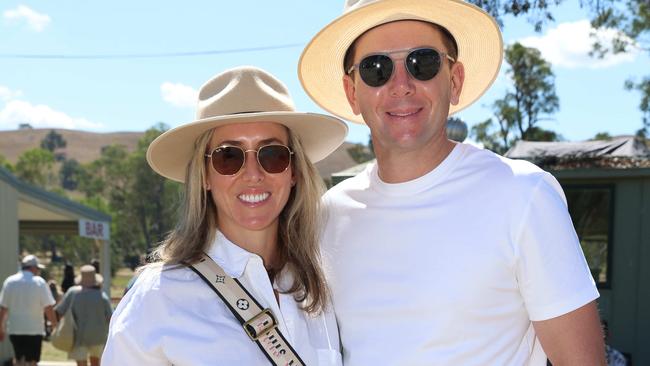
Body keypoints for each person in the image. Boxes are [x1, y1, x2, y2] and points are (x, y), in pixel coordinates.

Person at [298, 0, 606, 365]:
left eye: (422, 62)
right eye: (376, 68)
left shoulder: (523, 195)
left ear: (455, 80)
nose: (401, 85)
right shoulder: (327, 216)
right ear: (352, 92)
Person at [101, 66, 347, 365]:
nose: (253, 175)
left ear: (293, 171)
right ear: (204, 175)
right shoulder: (157, 299)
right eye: (229, 156)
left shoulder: (321, 286)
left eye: (273, 155)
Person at [0, 254, 57, 366]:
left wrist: (0, 328)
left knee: (18, 359)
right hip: (34, 330)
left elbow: (3, 308)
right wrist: (54, 325)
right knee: (32, 361)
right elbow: (48, 307)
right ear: (33, 268)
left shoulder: (10, 282)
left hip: (15, 328)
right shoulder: (39, 283)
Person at [55, 265, 113, 366]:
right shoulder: (102, 296)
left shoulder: (72, 292)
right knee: (96, 363)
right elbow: (110, 317)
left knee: (81, 363)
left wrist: (61, 327)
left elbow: (59, 311)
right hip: (98, 336)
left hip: (78, 336)